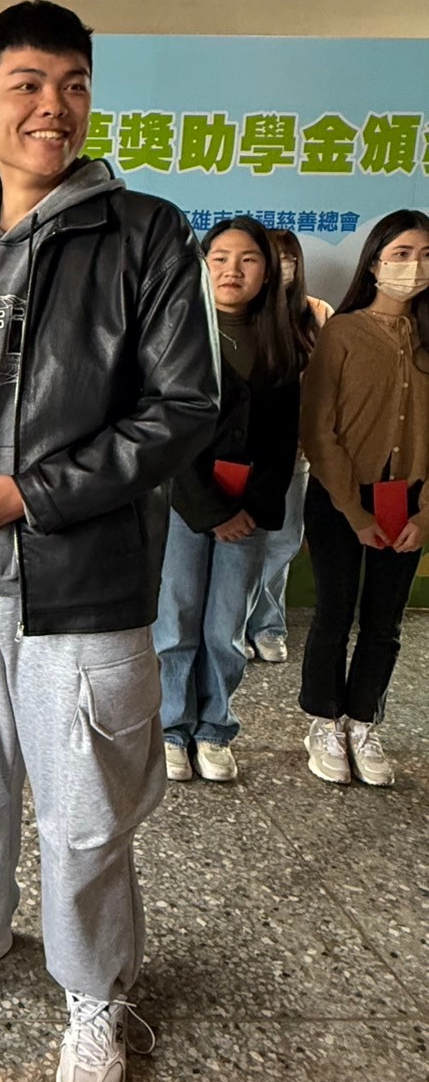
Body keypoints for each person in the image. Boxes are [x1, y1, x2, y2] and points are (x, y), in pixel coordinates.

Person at [0, 0, 221, 1082]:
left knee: (82, 817)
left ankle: (92, 992)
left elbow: (183, 408)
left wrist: (34, 492)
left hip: (81, 591)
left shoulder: (147, 236)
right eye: (27, 85)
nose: (53, 107)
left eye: (73, 85)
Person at [154, 217, 303, 784]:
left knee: (226, 626)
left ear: (268, 273)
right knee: (177, 618)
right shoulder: (176, 336)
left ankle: (215, 727)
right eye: (219, 258)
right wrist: (213, 511)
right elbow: (164, 433)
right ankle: (172, 726)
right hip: (185, 504)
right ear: (201, 264)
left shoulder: (281, 342)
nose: (232, 270)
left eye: (248, 259)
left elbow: (284, 442)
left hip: (251, 512)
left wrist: (250, 510)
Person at [299, 209, 429, 787]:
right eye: (401, 254)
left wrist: (426, 514)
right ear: (374, 263)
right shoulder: (343, 332)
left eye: (425, 255)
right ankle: (324, 720)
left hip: (412, 501)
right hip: (340, 496)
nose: (414, 266)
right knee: (334, 613)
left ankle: (362, 720)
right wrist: (354, 512)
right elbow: (318, 429)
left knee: (385, 621)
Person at [245, 229, 332, 663]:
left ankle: (268, 626)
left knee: (282, 542)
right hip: (241, 453)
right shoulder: (240, 311)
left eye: (289, 258)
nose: (282, 267)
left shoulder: (317, 313)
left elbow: (328, 386)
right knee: (240, 542)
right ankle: (237, 626)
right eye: (272, 258)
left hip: (295, 452)